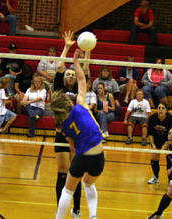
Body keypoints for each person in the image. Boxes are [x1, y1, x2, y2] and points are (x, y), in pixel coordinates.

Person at [51, 48, 105, 219]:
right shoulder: (81, 105)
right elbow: (82, 79)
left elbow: (72, 146)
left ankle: (59, 218)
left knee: (68, 190)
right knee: (88, 185)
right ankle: (93, 215)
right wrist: (76, 61)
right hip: (98, 157)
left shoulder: (64, 128)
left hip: (81, 156)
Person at [53, 31, 90, 218]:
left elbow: (83, 72)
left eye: (72, 74)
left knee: (75, 173)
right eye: (67, 74)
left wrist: (88, 51)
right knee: (61, 172)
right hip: (60, 134)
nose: (70, 75)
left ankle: (76, 209)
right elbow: (60, 66)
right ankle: (60, 207)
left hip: (77, 136)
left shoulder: (78, 90)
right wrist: (67, 47)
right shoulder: (59, 89)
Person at [147, 102, 172, 185]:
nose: (161, 110)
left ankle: (170, 180)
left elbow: (171, 135)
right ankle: (156, 177)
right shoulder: (153, 118)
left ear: (166, 110)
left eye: (163, 108)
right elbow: (150, 133)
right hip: (156, 139)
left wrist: (164, 148)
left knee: (169, 157)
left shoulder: (170, 119)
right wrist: (153, 145)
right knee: (154, 155)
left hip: (168, 139)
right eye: (159, 108)